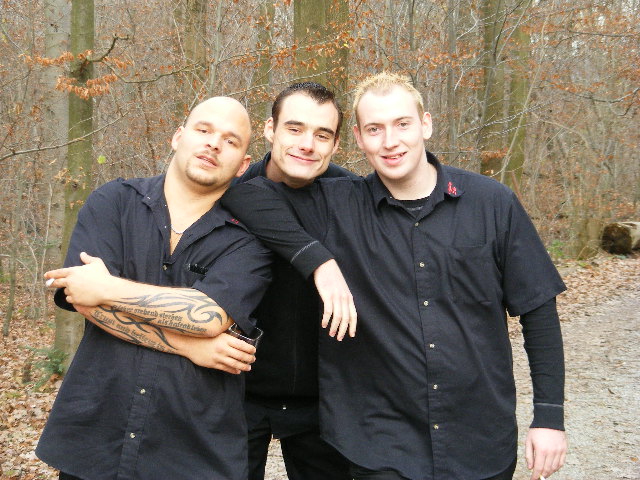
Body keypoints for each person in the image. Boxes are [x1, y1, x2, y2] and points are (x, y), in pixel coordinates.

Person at [221, 72, 568, 480]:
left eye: (402, 124)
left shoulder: (491, 203)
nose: (390, 141)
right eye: (374, 129)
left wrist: (549, 416)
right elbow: (241, 192)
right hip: (382, 446)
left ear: (425, 124)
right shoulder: (339, 205)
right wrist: (318, 261)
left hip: (478, 436)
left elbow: (538, 312)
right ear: (358, 138)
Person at [36, 97, 274, 480]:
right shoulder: (114, 202)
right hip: (97, 440)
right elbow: (81, 296)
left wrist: (106, 288)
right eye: (204, 129)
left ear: (244, 164)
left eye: (230, 140)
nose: (214, 143)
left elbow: (208, 316)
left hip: (192, 453)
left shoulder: (250, 239)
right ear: (178, 137)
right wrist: (189, 345)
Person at [235, 82, 355, 480]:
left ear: (336, 144)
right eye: (294, 128)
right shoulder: (231, 191)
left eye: (322, 134)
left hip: (323, 399)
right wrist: (320, 262)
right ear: (270, 129)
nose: (307, 144)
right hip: (236, 393)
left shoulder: (352, 197)